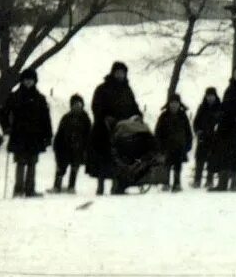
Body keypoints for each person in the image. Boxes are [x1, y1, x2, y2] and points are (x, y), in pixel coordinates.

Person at [86, 61, 141, 196]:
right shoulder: (102, 88)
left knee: (121, 159)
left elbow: (133, 106)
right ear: (113, 72)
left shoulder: (127, 90)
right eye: (118, 72)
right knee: (103, 159)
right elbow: (96, 106)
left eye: (122, 72)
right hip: (104, 130)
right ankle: (100, 186)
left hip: (123, 129)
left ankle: (118, 186)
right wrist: (105, 117)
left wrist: (138, 115)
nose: (120, 75)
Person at [0, 68, 53, 198]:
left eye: (31, 80)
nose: (28, 82)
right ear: (22, 81)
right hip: (19, 134)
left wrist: (48, 135)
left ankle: (30, 189)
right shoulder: (14, 96)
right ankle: (18, 189)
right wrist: (6, 127)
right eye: (26, 79)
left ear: (35, 81)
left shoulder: (40, 98)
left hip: (35, 135)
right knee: (21, 162)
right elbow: (3, 113)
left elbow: (46, 118)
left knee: (32, 162)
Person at [52, 94, 92, 193]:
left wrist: (87, 148)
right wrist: (57, 146)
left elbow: (89, 133)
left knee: (75, 167)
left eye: (79, 104)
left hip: (79, 148)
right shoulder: (66, 118)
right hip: (65, 147)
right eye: (75, 104)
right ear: (71, 105)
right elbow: (60, 133)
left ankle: (71, 186)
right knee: (61, 167)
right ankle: (57, 186)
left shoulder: (85, 119)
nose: (77, 106)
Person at [154, 93, 194, 192]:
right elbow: (158, 132)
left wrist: (188, 144)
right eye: (172, 103)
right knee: (167, 165)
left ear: (179, 104)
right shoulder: (163, 116)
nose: (174, 105)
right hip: (166, 146)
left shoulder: (183, 116)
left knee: (178, 166)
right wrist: (158, 145)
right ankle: (166, 183)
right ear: (169, 104)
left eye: (176, 103)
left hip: (179, 146)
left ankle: (177, 183)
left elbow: (188, 131)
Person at [192, 87, 222, 189]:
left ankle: (210, 181)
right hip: (203, 137)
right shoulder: (202, 107)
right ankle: (197, 180)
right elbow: (196, 122)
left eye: (212, 96)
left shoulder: (220, 108)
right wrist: (197, 131)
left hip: (215, 138)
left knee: (212, 160)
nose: (210, 98)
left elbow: (223, 123)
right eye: (208, 96)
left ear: (215, 96)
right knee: (199, 160)